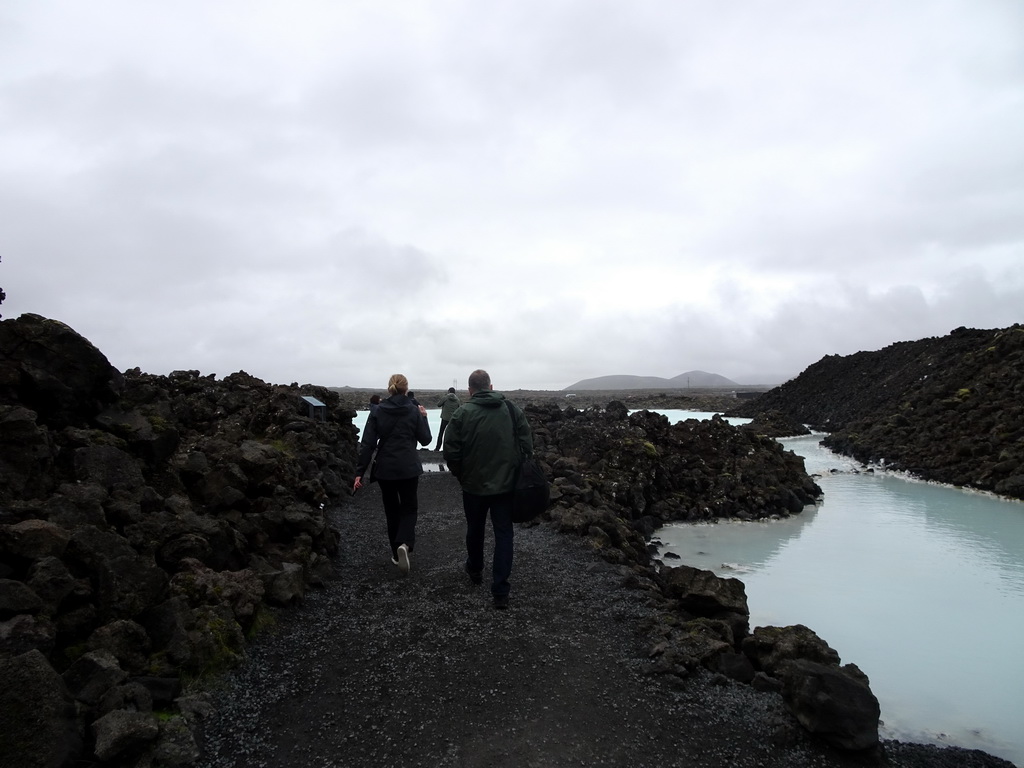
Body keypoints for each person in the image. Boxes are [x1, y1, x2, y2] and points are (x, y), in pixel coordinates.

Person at [443, 369, 532, 609]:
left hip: (473, 486)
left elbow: (450, 450)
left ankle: (475, 569)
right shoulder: (512, 410)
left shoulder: (462, 414)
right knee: (504, 534)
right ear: (491, 387)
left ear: (470, 390)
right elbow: (527, 445)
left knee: (475, 528)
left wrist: (461, 473)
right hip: (505, 487)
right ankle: (500, 591)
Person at [354, 374, 431, 574]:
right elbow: (425, 440)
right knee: (409, 507)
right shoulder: (414, 411)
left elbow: (368, 443)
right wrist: (424, 418)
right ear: (406, 389)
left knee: (391, 510)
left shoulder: (378, 411)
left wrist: (359, 472)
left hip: (385, 469)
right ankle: (404, 543)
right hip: (408, 467)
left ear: (389, 388)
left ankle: (396, 555)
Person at [434, 387, 461, 451]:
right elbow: (459, 409)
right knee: (451, 435)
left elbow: (438, 405)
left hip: (444, 418)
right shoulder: (457, 400)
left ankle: (437, 448)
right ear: (454, 392)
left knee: (441, 433)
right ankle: (450, 449)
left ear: (448, 391)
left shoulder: (445, 398)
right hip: (452, 419)